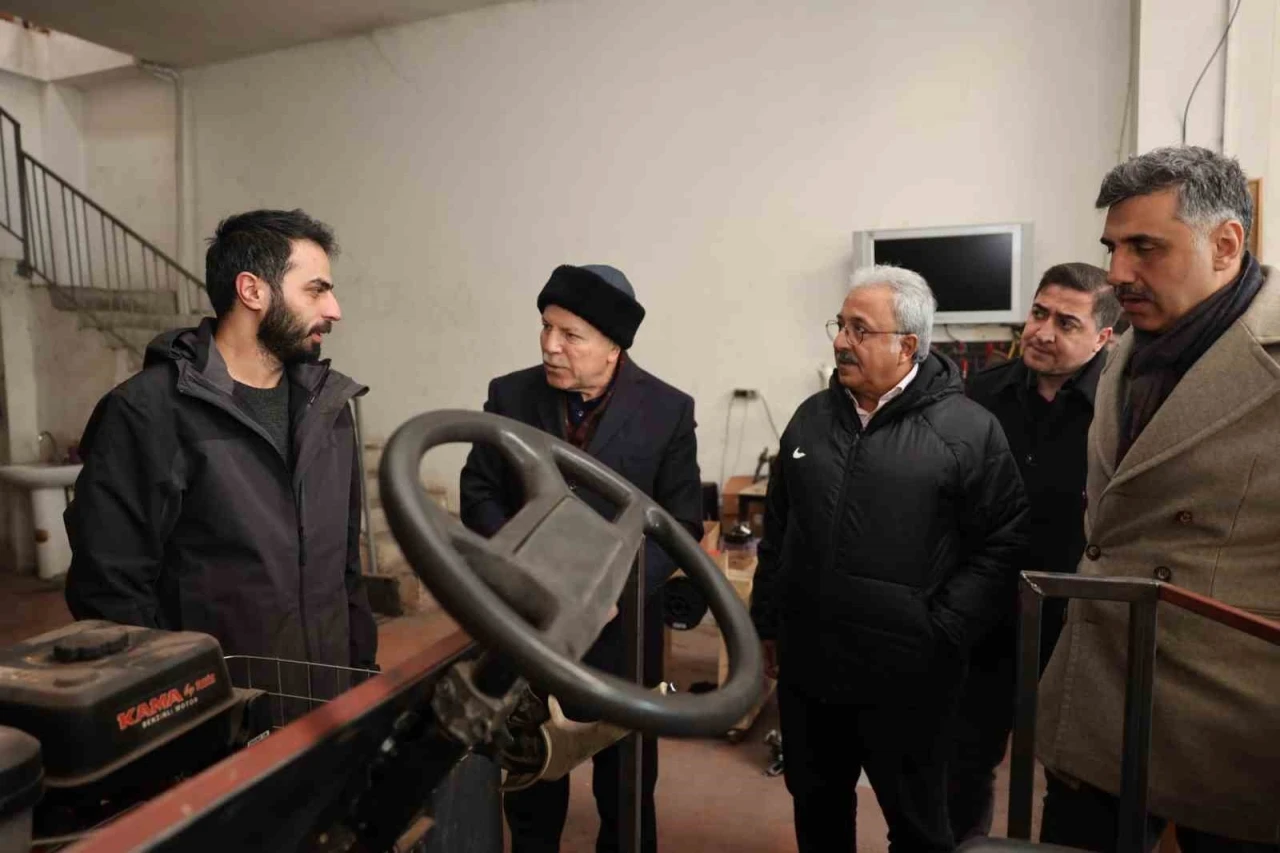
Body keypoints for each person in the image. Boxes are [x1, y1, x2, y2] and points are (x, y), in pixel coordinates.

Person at [1037, 146, 1280, 852]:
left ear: (1225, 244)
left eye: (1145, 247)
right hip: (1100, 695)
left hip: (1228, 725)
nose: (1117, 272)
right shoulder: (1125, 351)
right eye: (1112, 247)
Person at [749, 265, 1029, 853]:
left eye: (859, 329)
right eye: (840, 325)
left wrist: (941, 629)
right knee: (818, 809)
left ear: (907, 345)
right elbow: (779, 528)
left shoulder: (969, 431)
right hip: (811, 670)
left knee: (917, 825)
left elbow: (1002, 542)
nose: (840, 341)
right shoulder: (809, 419)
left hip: (908, 679)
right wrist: (767, 621)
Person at [64, 208, 378, 707]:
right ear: (252, 291)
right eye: (316, 290)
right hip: (218, 718)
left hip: (327, 708)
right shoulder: (147, 412)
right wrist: (179, 708)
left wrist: (361, 681)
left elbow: (346, 571)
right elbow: (109, 591)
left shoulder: (328, 410)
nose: (334, 309)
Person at [459, 263, 703, 853]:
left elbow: (681, 525)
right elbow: (479, 492)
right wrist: (526, 568)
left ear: (614, 345)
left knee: (626, 793)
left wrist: (609, 590)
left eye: (571, 335)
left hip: (622, 636)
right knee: (530, 789)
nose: (550, 345)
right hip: (528, 628)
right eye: (546, 327)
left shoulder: (667, 410)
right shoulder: (510, 395)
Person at [950, 262, 1119, 841]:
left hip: (1078, 623)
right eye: (1039, 313)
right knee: (962, 766)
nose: (1043, 332)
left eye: (1066, 323)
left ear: (1104, 337)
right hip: (985, 613)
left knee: (1073, 781)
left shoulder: (1124, 407)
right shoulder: (979, 394)